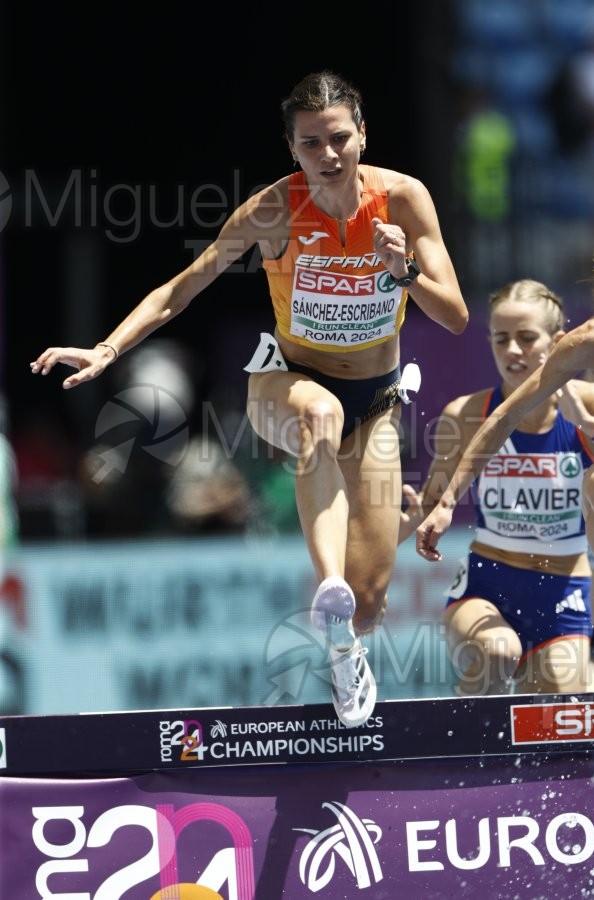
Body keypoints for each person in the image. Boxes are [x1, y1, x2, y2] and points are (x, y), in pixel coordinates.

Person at [31, 70, 468, 727]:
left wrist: (401, 270)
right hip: (286, 380)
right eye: (312, 143)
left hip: (377, 396)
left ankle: (347, 640)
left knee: (374, 598)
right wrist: (107, 350)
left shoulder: (403, 201)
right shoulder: (273, 210)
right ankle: (329, 591)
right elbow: (181, 288)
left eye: (340, 139)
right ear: (291, 147)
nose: (328, 154)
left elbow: (457, 315)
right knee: (318, 417)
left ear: (363, 135)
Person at [415, 267, 594, 695]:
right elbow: (428, 505)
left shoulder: (590, 403)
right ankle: (458, 754)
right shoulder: (466, 415)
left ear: (557, 345)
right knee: (498, 652)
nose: (513, 351)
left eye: (527, 338)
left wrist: (587, 428)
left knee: (562, 707)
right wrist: (406, 526)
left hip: (565, 591)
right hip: (488, 584)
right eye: (501, 339)